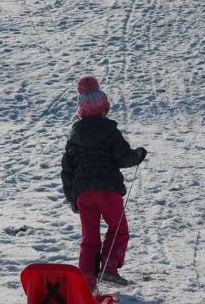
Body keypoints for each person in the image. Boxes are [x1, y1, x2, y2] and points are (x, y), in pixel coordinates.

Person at [61, 75, 147, 292]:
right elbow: (123, 157)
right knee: (118, 229)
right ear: (104, 108)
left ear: (81, 110)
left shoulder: (74, 137)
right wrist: (138, 155)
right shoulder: (110, 131)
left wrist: (73, 199)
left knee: (89, 239)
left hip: (84, 194)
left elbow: (67, 171)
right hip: (108, 190)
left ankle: (86, 282)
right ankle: (109, 267)